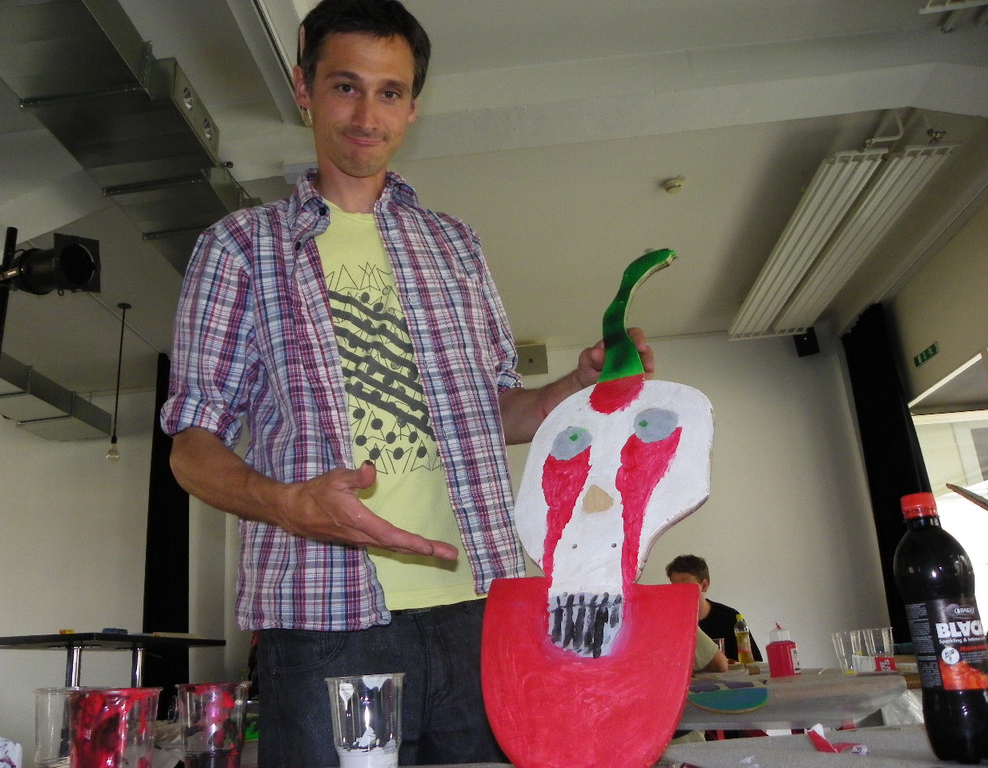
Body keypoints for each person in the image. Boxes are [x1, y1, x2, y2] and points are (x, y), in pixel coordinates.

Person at [160, 1, 656, 766]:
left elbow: (497, 412)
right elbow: (192, 448)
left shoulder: (455, 245)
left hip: (479, 611)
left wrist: (576, 386)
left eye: (389, 92)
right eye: (345, 86)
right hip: (324, 623)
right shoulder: (240, 248)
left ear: (413, 105)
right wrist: (288, 504)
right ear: (304, 88)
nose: (367, 116)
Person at [666, 554, 762, 663]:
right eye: (675, 589)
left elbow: (755, 663)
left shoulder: (729, 617)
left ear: (704, 585)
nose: (680, 594)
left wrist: (731, 665)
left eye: (687, 588)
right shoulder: (668, 622)